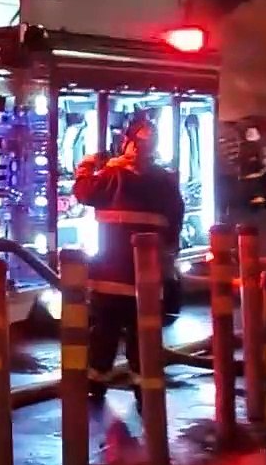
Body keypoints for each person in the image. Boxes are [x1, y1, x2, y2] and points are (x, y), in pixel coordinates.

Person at [73, 115, 184, 406]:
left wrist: (86, 165)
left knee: (104, 333)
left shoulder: (112, 177)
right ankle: (143, 386)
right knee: (143, 335)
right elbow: (174, 229)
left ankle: (96, 384)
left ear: (127, 144)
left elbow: (83, 192)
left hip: (109, 278)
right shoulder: (165, 183)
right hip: (146, 282)